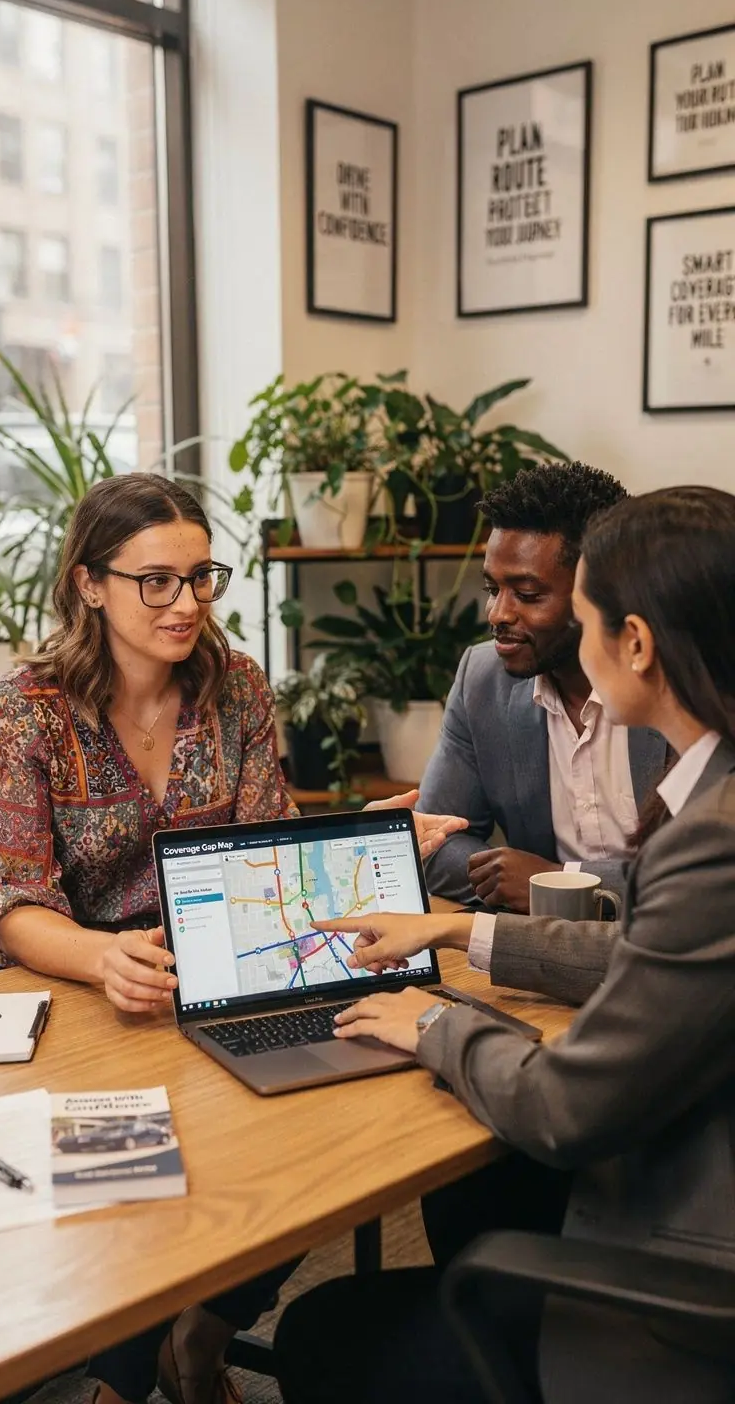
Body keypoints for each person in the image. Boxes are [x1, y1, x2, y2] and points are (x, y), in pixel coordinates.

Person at [0, 471, 464, 1404]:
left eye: (201, 577)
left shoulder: (235, 688)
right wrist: (102, 955)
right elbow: (11, 901)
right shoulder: (22, 710)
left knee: (316, 1143)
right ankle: (115, 1378)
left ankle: (203, 1334)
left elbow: (262, 847)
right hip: (62, 984)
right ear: (89, 584)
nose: (186, 602)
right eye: (157, 579)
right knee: (141, 1186)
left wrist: (356, 834)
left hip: (209, 964)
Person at [274, 485, 735, 1404]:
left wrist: (434, 1026)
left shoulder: (712, 834)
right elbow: (657, 957)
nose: (497, 619)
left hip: (681, 1308)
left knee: (319, 1331)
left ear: (632, 642)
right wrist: (461, 930)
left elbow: (565, 1109)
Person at [419, 461, 668, 913]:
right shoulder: (483, 678)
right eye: (492, 588)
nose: (498, 613)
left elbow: (701, 872)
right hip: (536, 956)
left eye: (528, 595)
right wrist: (515, 878)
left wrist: (554, 882)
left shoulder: (677, 680)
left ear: (603, 591)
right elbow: (433, 843)